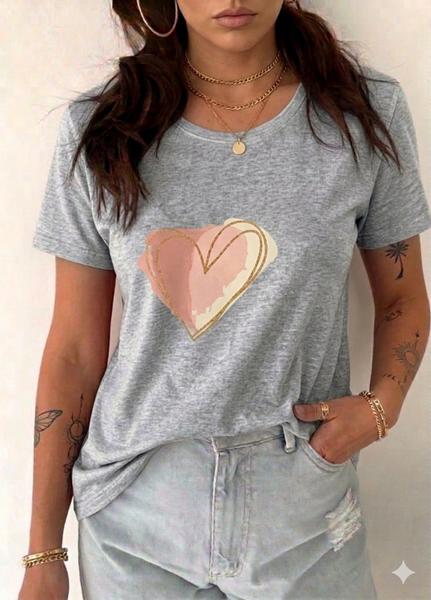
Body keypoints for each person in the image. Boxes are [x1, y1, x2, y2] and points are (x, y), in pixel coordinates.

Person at [19, 1, 431, 599]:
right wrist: (43, 551)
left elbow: (402, 296)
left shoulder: (361, 113)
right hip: (135, 515)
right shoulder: (101, 128)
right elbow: (74, 351)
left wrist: (380, 408)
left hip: (302, 500)